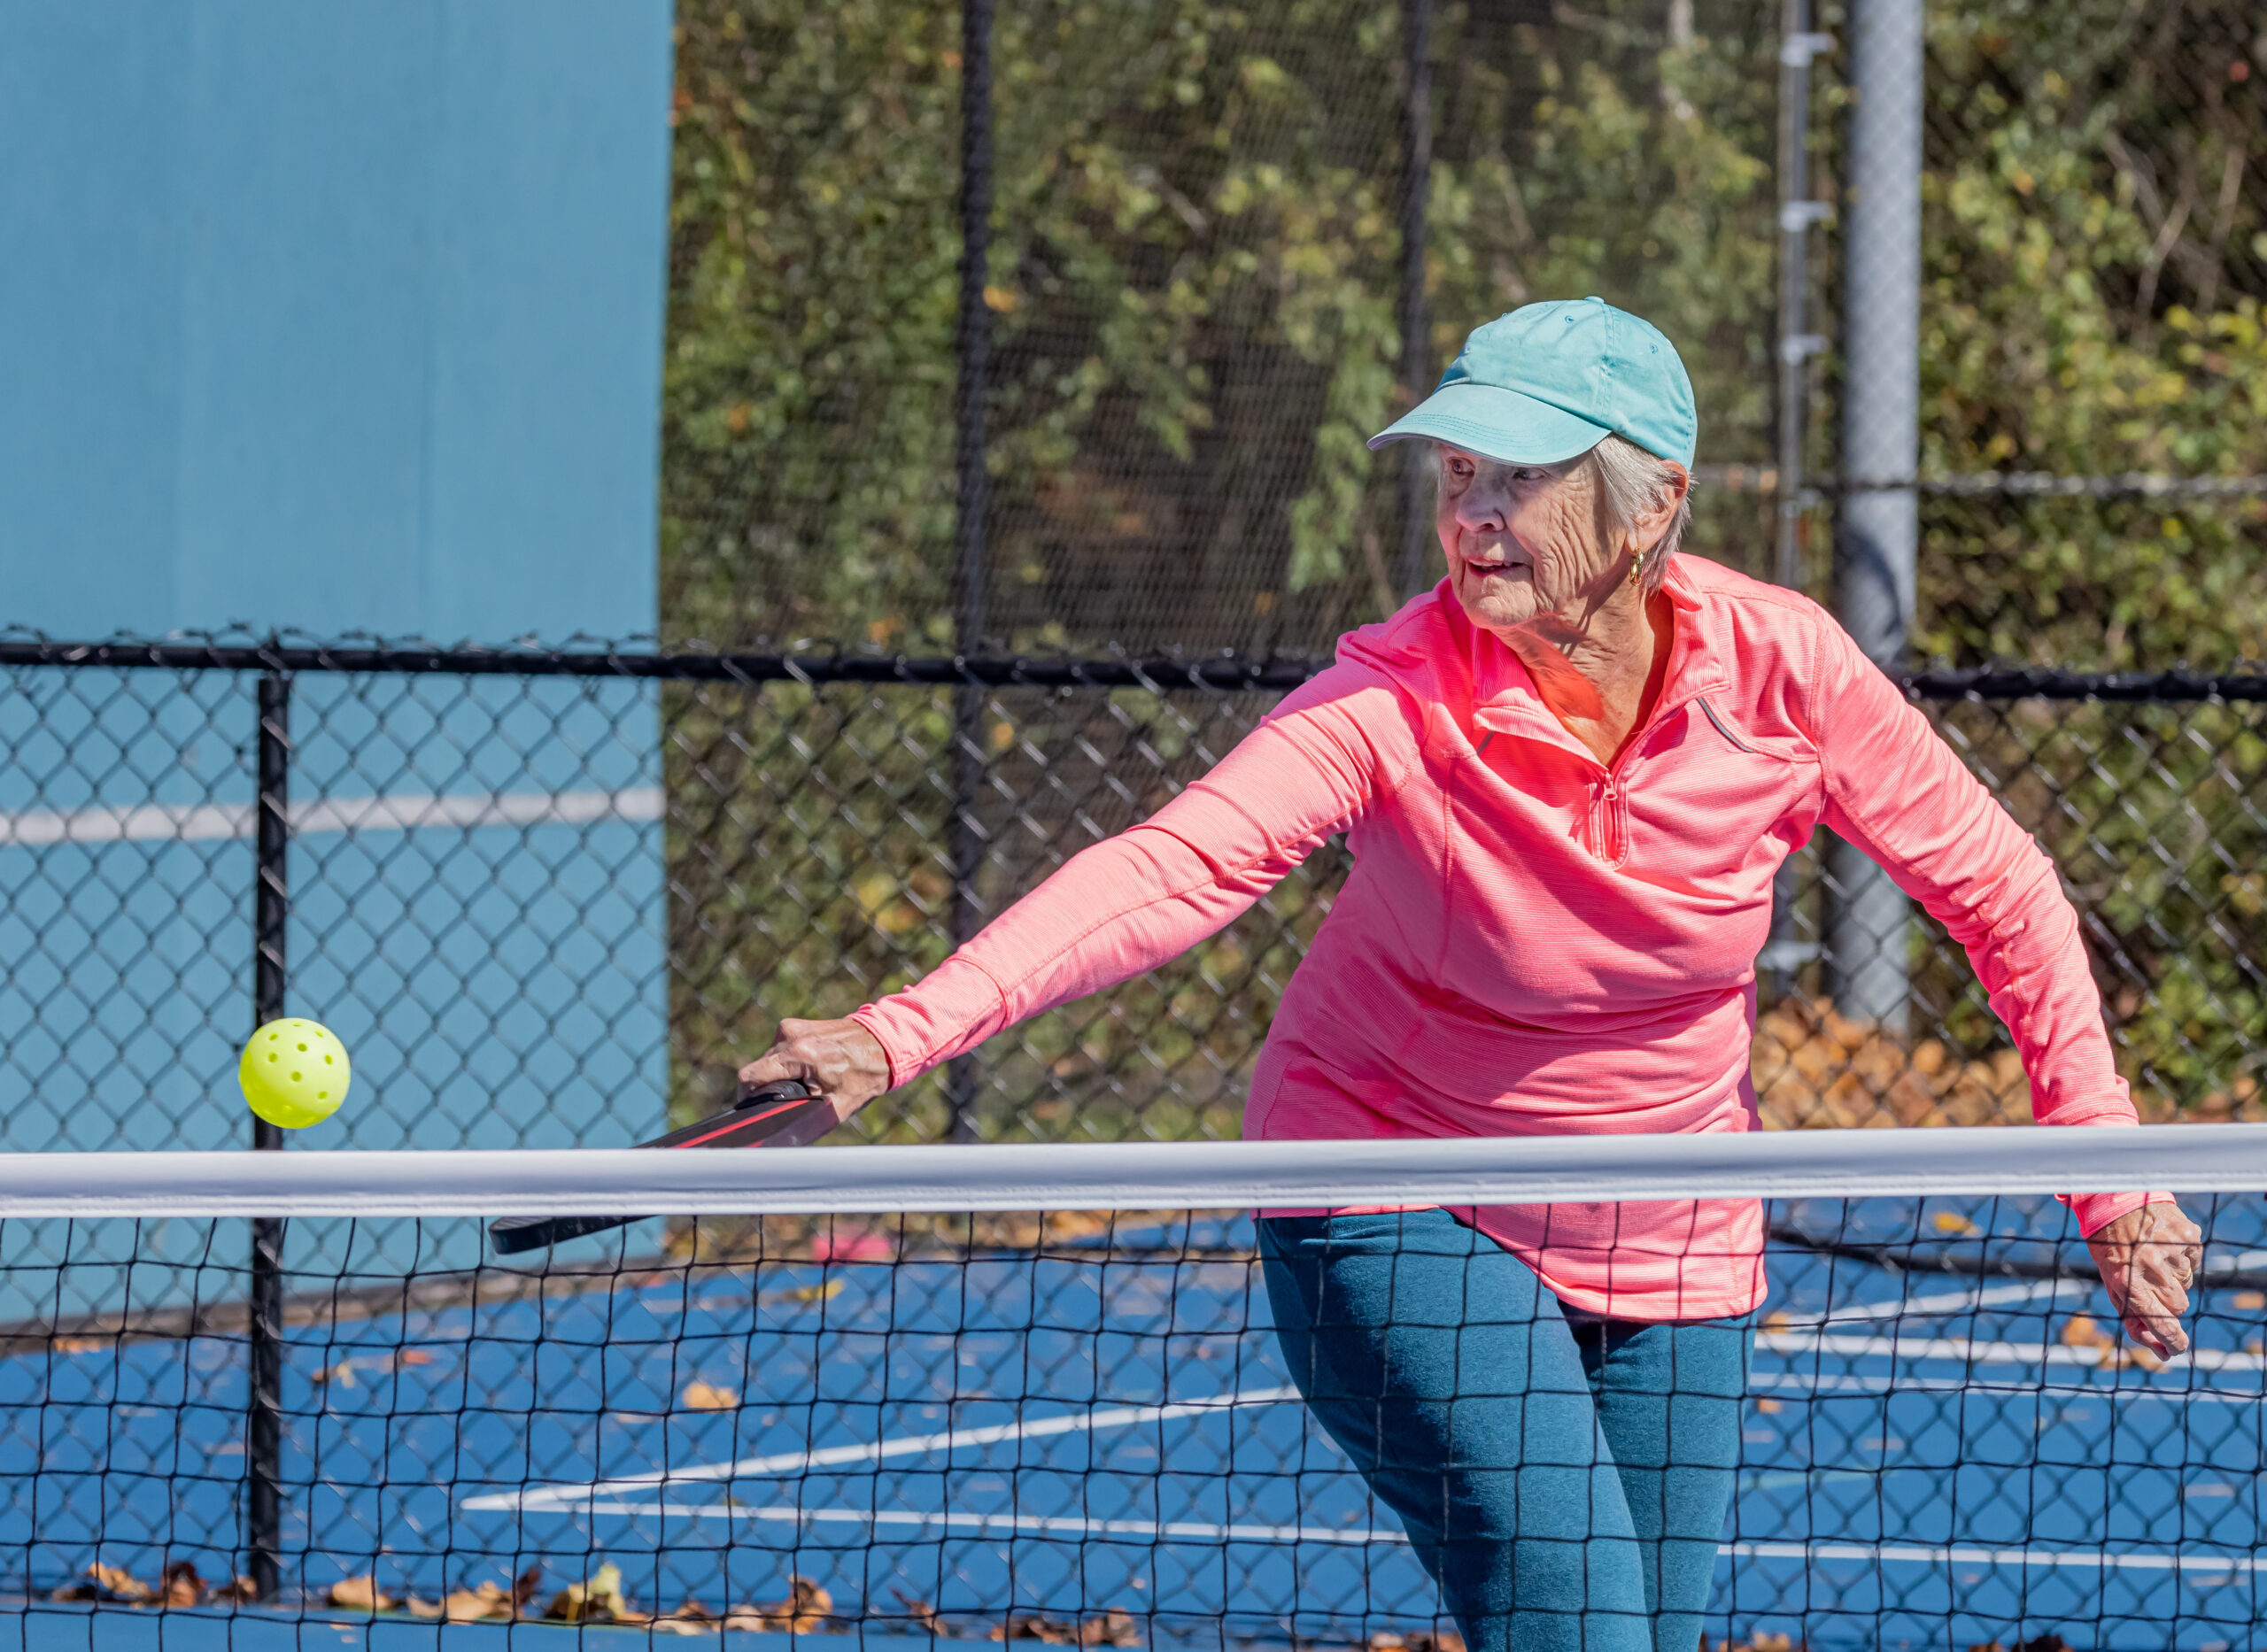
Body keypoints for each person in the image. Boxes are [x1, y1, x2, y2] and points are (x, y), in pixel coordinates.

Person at [738, 297, 2203, 1652]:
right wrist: (896, 1034)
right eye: (1457, 475)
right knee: (1576, 1615)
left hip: (1671, 1230)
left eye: (1520, 477)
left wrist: (2110, 1168)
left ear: (1655, 506)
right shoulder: (1389, 698)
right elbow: (1172, 866)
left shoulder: (1786, 670)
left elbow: (2003, 888)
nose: (1474, 514)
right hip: (1397, 1188)